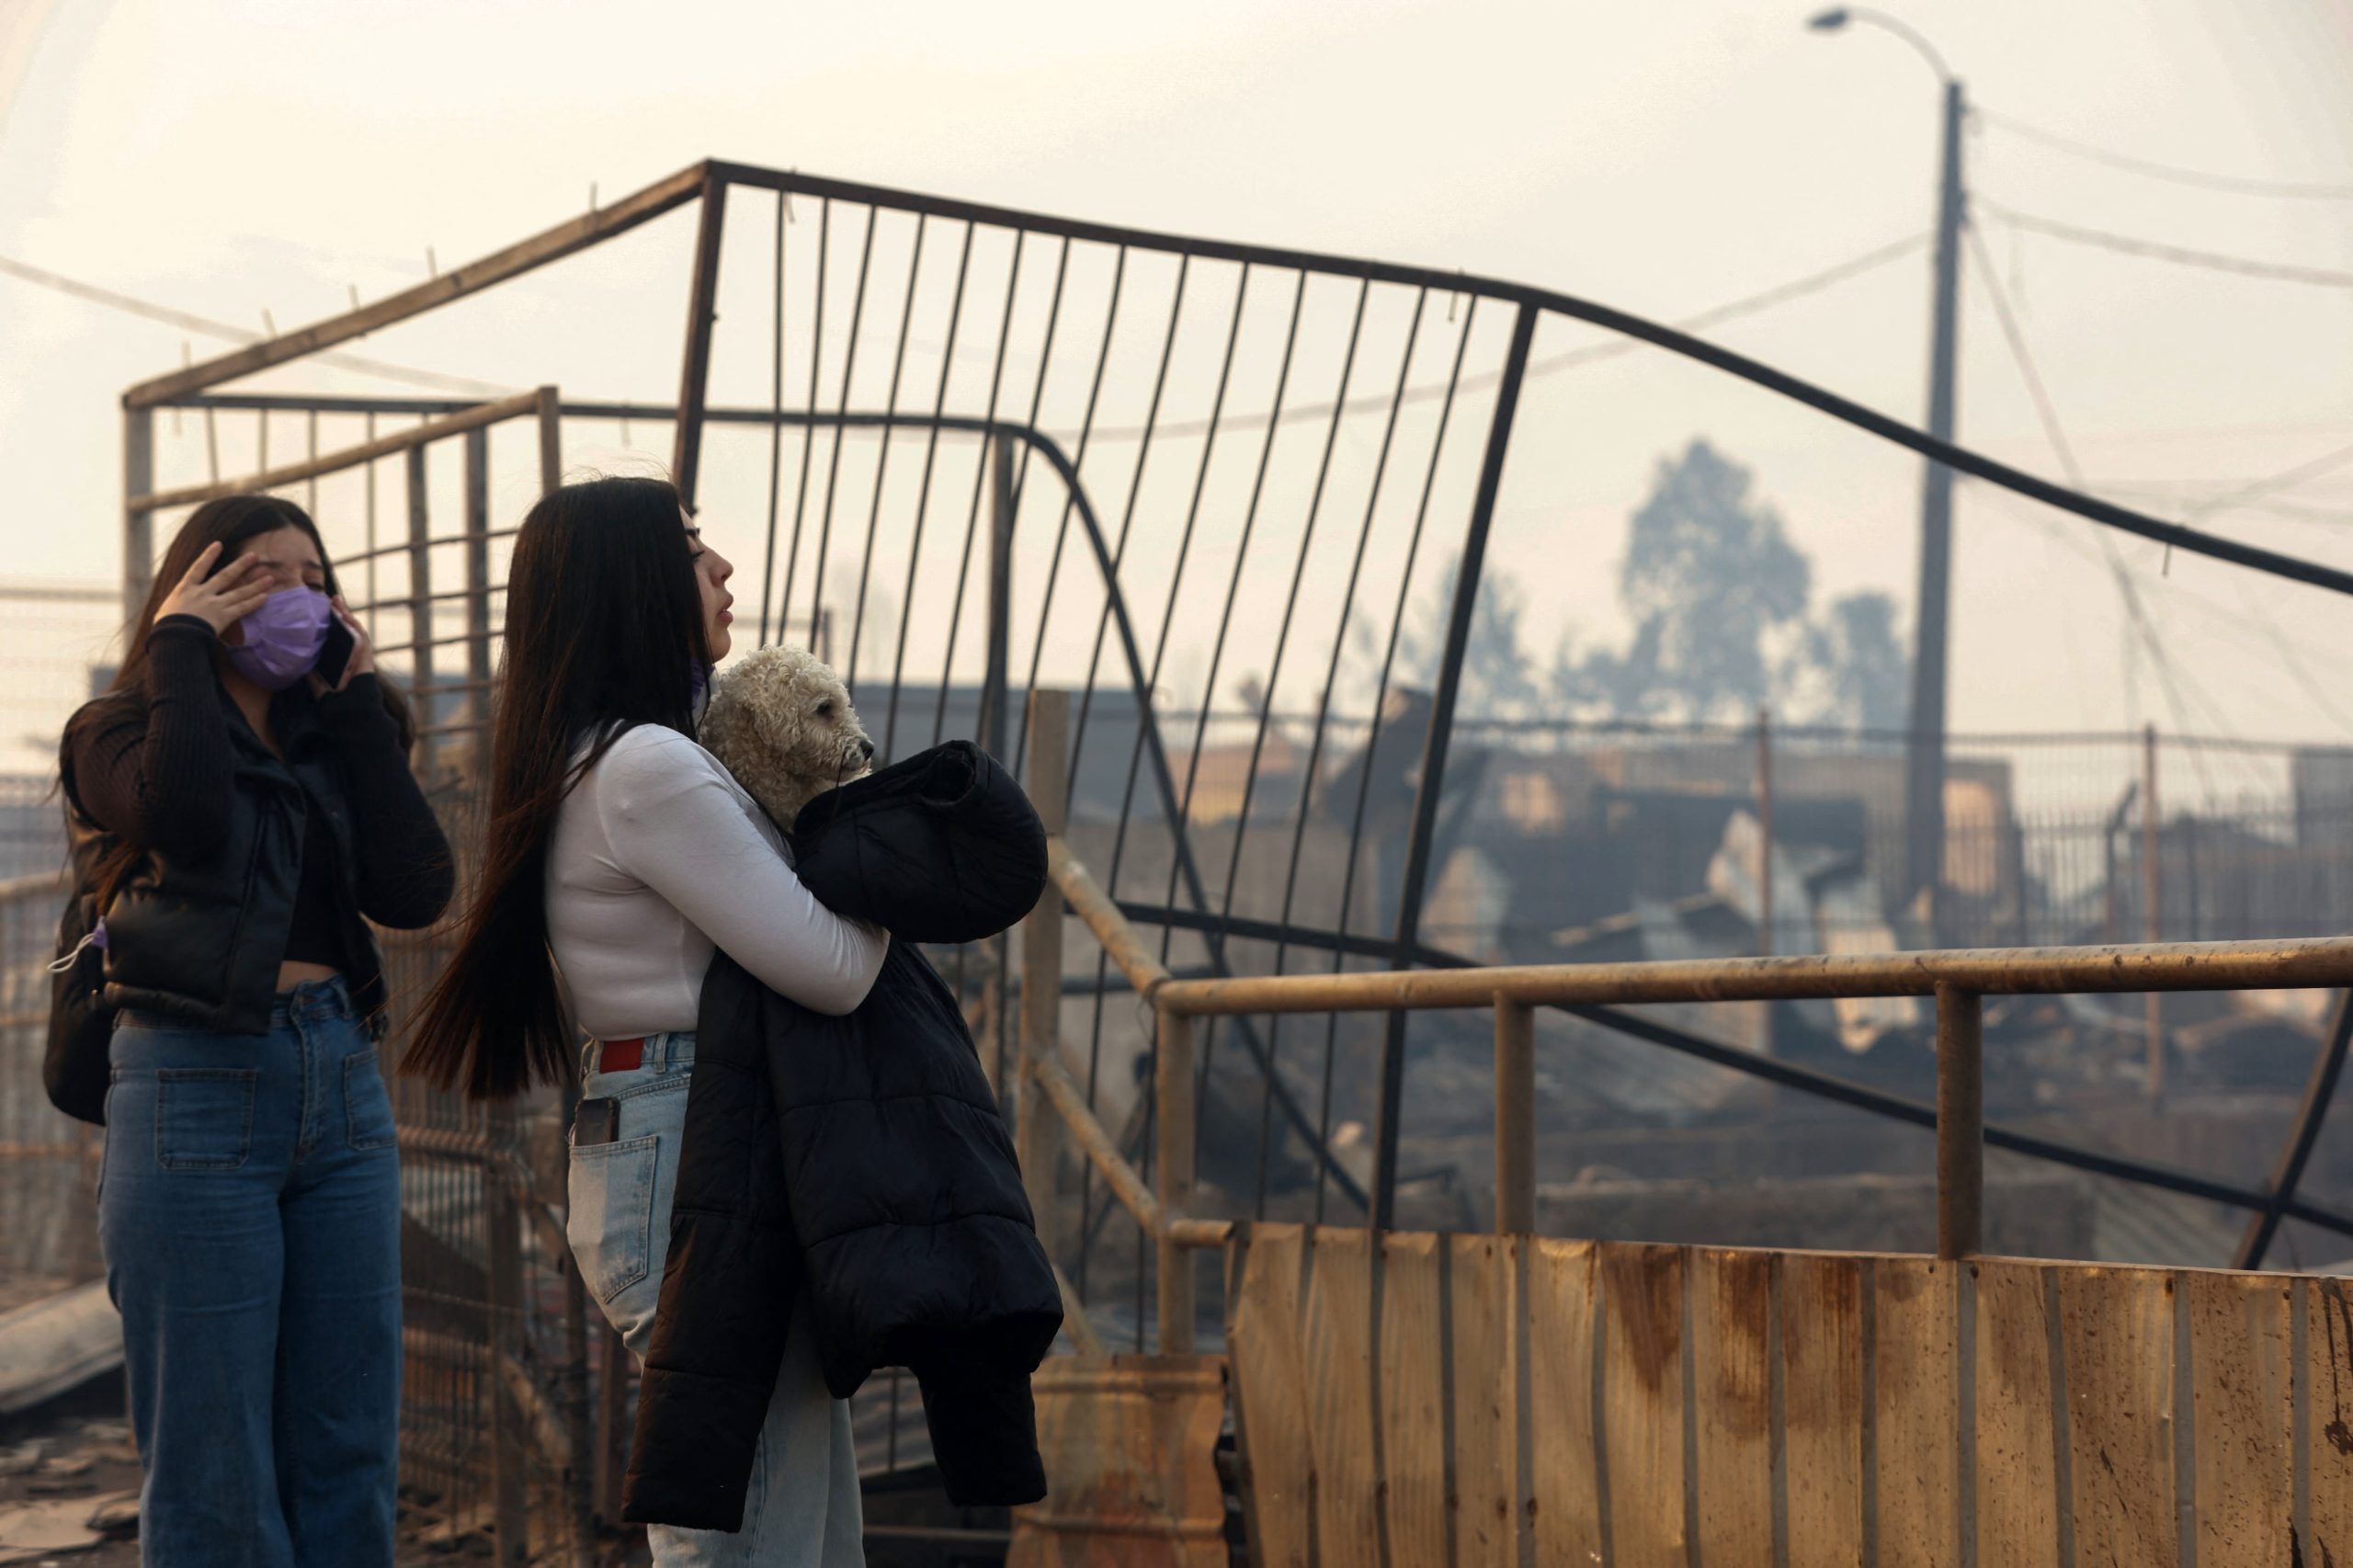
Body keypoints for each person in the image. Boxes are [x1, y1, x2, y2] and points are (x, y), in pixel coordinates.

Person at [403, 475, 887, 1567]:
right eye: (691, 549)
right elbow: (834, 968)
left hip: (678, 1141)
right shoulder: (646, 767)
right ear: (627, 581)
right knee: (753, 1538)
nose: (724, 571)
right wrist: (883, 878)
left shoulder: (608, 756)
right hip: (698, 1164)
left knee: (794, 1530)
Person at [61, 494, 454, 1568]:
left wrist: (361, 705)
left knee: (348, 1445)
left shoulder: (339, 733)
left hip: (341, 1075)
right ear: (195, 588)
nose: (297, 595)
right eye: (260, 574)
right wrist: (183, 650)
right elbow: (187, 814)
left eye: (313, 576)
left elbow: (417, 888)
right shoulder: (114, 733)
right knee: (214, 1466)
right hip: (193, 1078)